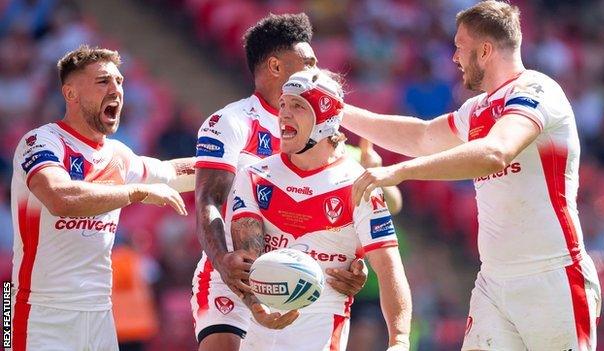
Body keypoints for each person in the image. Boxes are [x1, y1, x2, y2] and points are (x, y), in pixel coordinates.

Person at [344, 1, 601, 350]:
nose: (454, 57)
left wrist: (401, 171)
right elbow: (421, 137)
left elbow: (496, 152)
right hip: (494, 281)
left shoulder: (536, 91)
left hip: (551, 275)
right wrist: (338, 112)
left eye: (460, 47)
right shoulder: (476, 109)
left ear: (485, 50)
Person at [191, 14, 367, 350]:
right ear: (275, 66)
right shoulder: (230, 122)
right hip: (233, 270)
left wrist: (354, 267)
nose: (317, 69)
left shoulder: (326, 131)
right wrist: (223, 262)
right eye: (308, 61)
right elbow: (209, 200)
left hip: (300, 278)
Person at [10, 45, 195, 351]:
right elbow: (60, 196)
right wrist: (135, 192)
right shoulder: (41, 141)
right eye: (103, 81)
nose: (117, 90)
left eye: (120, 82)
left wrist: (238, 164)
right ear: (71, 94)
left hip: (99, 315)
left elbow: (172, 173)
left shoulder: (118, 155)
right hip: (40, 312)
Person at [229, 69, 411, 351]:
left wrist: (399, 341)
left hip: (320, 324)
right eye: (283, 104)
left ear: (326, 119)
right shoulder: (255, 175)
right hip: (257, 322)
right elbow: (247, 260)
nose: (284, 114)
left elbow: (388, 267)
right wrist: (255, 306)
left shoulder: (359, 184)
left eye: (298, 106)